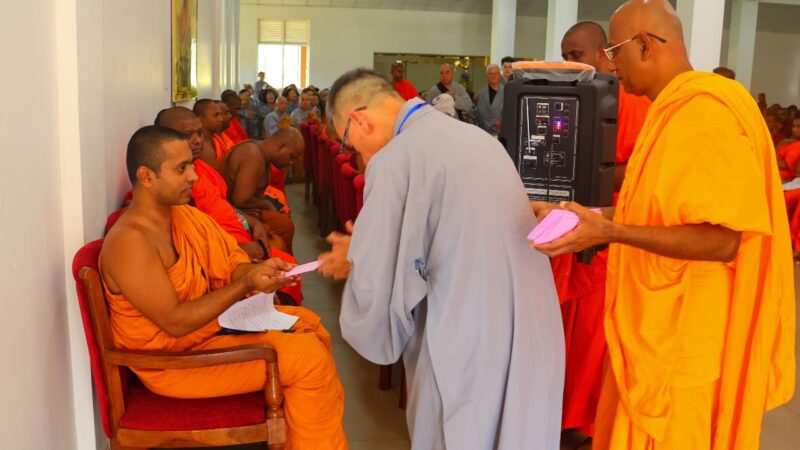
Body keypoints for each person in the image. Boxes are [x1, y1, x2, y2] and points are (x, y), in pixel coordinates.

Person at [532, 1, 795, 448]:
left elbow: (723, 240)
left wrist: (611, 233)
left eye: (614, 51)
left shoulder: (705, 113)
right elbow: (651, 213)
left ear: (644, 46)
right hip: (656, 327)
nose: (610, 64)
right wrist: (589, 218)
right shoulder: (669, 111)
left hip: (686, 340)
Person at [318, 69, 565, 449]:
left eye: (350, 146)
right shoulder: (476, 137)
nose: (360, 159)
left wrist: (358, 260)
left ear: (359, 120)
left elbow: (383, 278)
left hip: (465, 326)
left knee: (456, 429)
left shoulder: (396, 159)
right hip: (529, 321)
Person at [100, 125, 346, 449]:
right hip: (170, 362)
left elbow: (230, 262)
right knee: (308, 361)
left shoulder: (184, 217)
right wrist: (245, 283)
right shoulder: (129, 242)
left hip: (201, 337)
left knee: (309, 324)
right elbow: (175, 322)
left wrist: (257, 272)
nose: (194, 177)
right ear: (146, 176)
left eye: (190, 164)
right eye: (181, 168)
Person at [552, 20, 652, 444]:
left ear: (603, 55)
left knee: (594, 342)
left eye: (576, 54)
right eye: (565, 55)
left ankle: (587, 424)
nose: (569, 63)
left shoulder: (636, 105)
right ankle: (557, 415)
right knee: (560, 339)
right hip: (563, 235)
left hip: (608, 242)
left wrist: (589, 175)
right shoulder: (567, 100)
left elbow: (645, 176)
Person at [154, 107, 303, 304]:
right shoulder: (173, 186)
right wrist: (238, 248)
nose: (198, 140)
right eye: (187, 135)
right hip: (227, 254)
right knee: (284, 264)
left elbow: (222, 204)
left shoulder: (200, 168)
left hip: (237, 240)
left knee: (288, 265)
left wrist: (251, 222)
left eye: (199, 133)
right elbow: (193, 237)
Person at [222, 130, 299, 253]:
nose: (291, 162)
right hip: (235, 213)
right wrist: (266, 204)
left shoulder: (259, 150)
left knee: (283, 220)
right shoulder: (253, 156)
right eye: (292, 156)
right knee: (285, 227)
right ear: (281, 147)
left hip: (243, 209)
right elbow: (240, 200)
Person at [475, 64, 504, 136]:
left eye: (495, 73)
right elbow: (482, 113)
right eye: (490, 74)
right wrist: (494, 123)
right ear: (487, 76)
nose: (493, 76)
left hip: (504, 130)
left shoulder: (507, 91)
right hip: (486, 131)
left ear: (500, 75)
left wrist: (503, 123)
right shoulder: (482, 93)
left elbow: (510, 110)